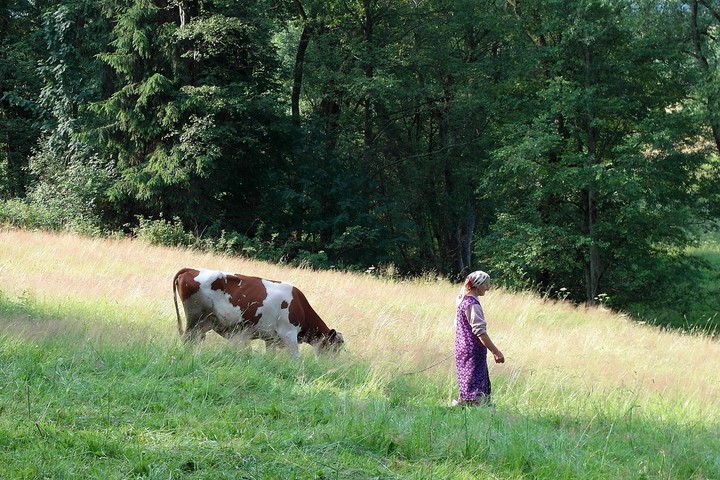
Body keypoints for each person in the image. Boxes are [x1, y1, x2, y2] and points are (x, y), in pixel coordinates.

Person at [452, 270, 504, 407]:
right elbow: (480, 332)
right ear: (477, 285)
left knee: (468, 379)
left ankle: (469, 405)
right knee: (474, 382)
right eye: (486, 284)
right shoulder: (472, 305)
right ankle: (471, 406)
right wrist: (496, 352)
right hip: (472, 350)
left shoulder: (464, 301)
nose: (488, 288)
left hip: (462, 347)